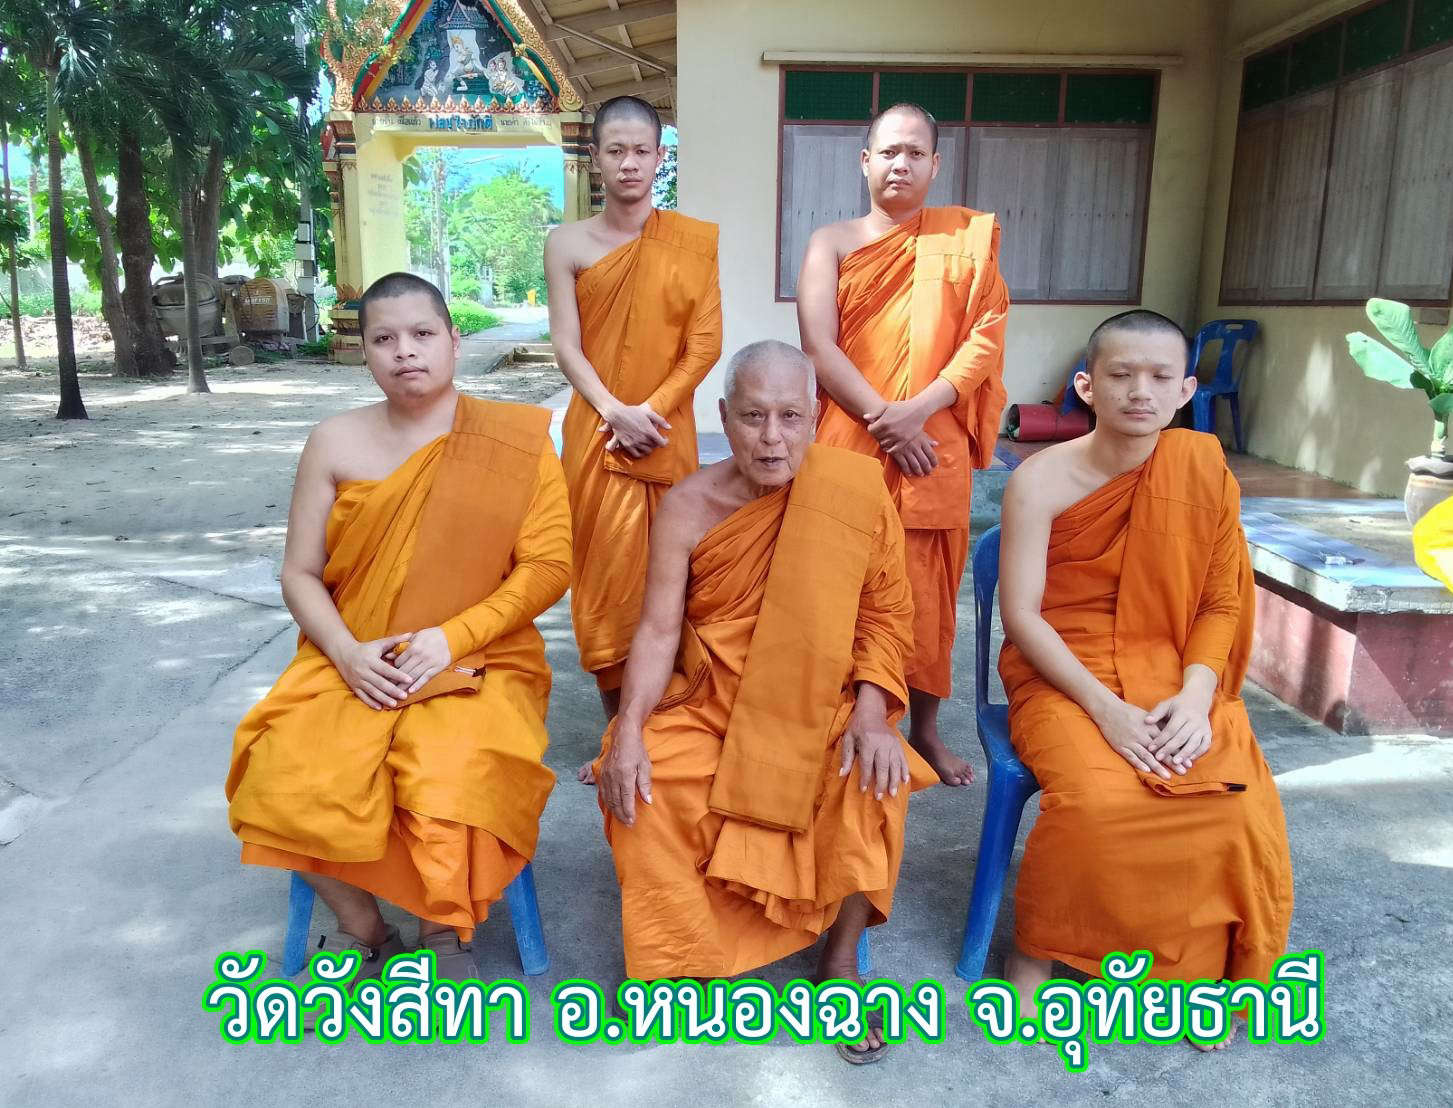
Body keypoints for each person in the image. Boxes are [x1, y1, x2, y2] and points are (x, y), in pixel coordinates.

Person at [225, 272, 572, 998]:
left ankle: (442, 929)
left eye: (421, 333)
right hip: (356, 653)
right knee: (281, 768)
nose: (404, 351)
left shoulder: (515, 442)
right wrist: (348, 654)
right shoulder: (334, 441)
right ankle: (365, 928)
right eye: (383, 338)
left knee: (450, 771)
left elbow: (548, 567)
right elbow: (299, 574)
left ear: (454, 340)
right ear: (365, 352)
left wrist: (452, 637)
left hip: (480, 657)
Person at [594, 340, 939, 1064]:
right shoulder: (689, 505)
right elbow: (657, 629)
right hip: (713, 701)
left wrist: (872, 713)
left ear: (815, 418)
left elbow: (884, 615)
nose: (772, 437)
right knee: (646, 783)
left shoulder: (853, 491)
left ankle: (839, 967)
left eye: (790, 417)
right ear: (724, 417)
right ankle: (676, 965)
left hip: (824, 701)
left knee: (873, 779)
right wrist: (628, 728)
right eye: (753, 417)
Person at [996, 310, 1293, 1050]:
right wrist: (1104, 710)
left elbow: (1220, 601)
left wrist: (1196, 695)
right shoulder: (1039, 479)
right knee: (1096, 804)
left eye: (1161, 377)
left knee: (1230, 803)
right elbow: (1022, 616)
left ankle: (1190, 972)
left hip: (1172, 668)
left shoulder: (1201, 470)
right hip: (1064, 673)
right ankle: (1038, 950)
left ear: (1186, 390)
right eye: (1121, 374)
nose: (1140, 391)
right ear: (1085, 386)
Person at [797, 101, 1009, 788]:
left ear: (935, 164)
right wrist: (883, 416)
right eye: (888, 151)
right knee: (841, 581)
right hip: (850, 436)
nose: (901, 163)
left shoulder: (964, 241)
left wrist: (918, 409)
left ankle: (922, 728)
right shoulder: (831, 242)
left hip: (931, 440)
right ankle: (843, 714)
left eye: (915, 152)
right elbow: (817, 344)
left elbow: (985, 336)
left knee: (927, 593)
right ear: (865, 161)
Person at [544, 95, 721, 746]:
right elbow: (567, 344)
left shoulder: (691, 242)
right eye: (615, 150)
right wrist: (615, 410)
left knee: (672, 576)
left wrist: (650, 410)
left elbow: (705, 344)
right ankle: (618, 726)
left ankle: (665, 723)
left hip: (665, 434)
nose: (628, 163)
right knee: (606, 579)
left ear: (659, 157)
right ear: (595, 157)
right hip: (597, 435)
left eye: (641, 151)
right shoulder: (566, 243)